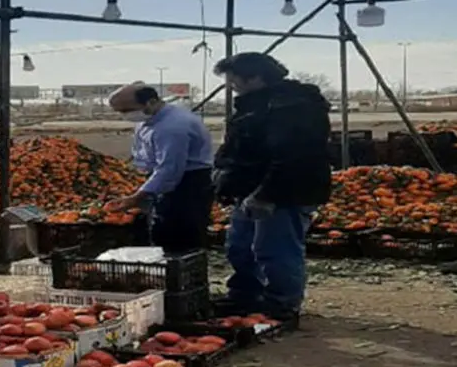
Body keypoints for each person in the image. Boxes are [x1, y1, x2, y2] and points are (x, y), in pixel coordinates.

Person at [211, 52, 332, 324]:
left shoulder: (293, 106)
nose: (231, 87)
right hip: (251, 189)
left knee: (276, 249)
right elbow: (242, 147)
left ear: (255, 78)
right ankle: (245, 294)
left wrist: (266, 194)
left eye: (234, 81)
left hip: (283, 191)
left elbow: (293, 156)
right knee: (240, 246)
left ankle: (283, 303)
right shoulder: (255, 105)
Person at [106, 82, 214, 254]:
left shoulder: (172, 126)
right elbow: (143, 156)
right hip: (164, 182)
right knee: (161, 234)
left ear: (150, 102)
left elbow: (169, 169)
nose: (124, 115)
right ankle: (169, 272)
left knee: (182, 239)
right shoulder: (148, 120)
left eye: (126, 110)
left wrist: (138, 196)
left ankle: (186, 277)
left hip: (188, 185)